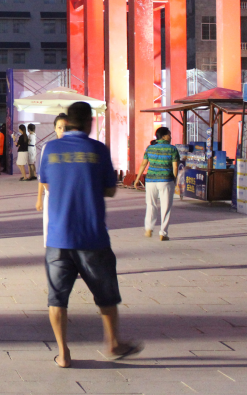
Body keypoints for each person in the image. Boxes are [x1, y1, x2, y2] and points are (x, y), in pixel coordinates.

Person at [39, 102, 141, 368]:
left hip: (58, 237)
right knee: (106, 296)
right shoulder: (98, 150)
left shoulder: (50, 149)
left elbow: (47, 184)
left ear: (68, 122)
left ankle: (63, 354)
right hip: (92, 236)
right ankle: (113, 343)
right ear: (88, 122)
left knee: (57, 299)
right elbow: (110, 190)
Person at [133, 126, 180, 241]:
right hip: (166, 180)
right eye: (169, 134)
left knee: (151, 205)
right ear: (164, 136)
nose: (171, 136)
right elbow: (175, 166)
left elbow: (143, 164)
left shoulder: (150, 148)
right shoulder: (172, 149)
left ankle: (148, 228)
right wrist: (174, 180)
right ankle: (163, 233)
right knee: (166, 207)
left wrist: (137, 179)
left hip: (150, 180)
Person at [36, 114, 67, 247]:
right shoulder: (47, 148)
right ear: (54, 129)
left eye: (65, 127)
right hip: (51, 195)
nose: (62, 130)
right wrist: (39, 198)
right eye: (59, 127)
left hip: (68, 195)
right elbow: (42, 175)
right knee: (50, 228)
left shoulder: (74, 149)